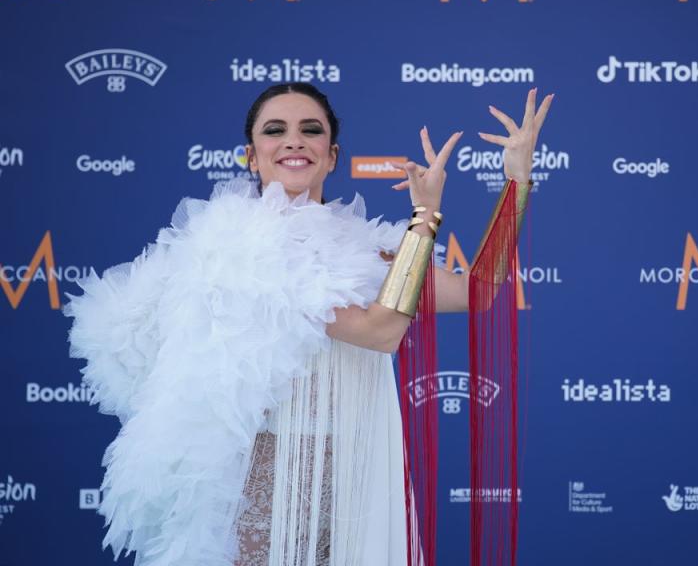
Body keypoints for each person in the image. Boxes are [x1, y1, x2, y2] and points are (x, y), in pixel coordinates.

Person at [65, 82, 553, 566]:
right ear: (252, 158)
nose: (294, 140)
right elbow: (379, 331)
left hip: (355, 473)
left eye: (310, 129)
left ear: (332, 155)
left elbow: (478, 292)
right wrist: (424, 217)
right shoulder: (244, 249)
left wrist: (516, 182)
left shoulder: (362, 247)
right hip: (270, 479)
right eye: (275, 130)